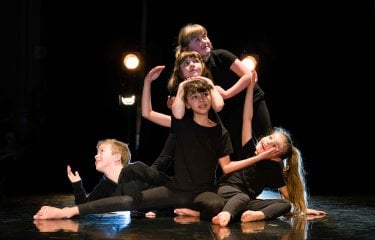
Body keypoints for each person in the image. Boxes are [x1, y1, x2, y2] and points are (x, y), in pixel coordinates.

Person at [34, 78, 272, 220]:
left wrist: (258, 157)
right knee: (128, 201)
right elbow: (175, 110)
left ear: (210, 97)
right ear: (188, 102)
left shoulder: (220, 132)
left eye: (204, 95)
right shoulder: (182, 123)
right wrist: (181, 87)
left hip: (203, 190)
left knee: (215, 205)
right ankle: (67, 212)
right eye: (195, 97)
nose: (201, 100)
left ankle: (192, 212)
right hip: (176, 188)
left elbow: (227, 166)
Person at [176, 79, 326, 226]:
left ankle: (257, 215)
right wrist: (250, 88)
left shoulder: (274, 169)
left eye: (273, 145)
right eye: (270, 137)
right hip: (225, 191)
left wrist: (303, 209)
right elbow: (247, 118)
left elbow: (286, 194)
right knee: (241, 197)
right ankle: (225, 215)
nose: (267, 141)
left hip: (244, 201)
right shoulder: (248, 150)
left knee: (284, 205)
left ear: (277, 159)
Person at [174, 23, 273, 157]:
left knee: (265, 137)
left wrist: (227, 94)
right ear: (186, 48)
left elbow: (248, 75)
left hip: (252, 100)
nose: (204, 41)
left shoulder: (221, 55)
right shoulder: (192, 70)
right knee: (238, 148)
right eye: (197, 40)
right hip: (228, 110)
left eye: (205, 37)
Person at [67, 138, 170, 207]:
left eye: (101, 151)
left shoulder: (135, 169)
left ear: (117, 157)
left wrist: (159, 211)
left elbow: (171, 185)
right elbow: (83, 207)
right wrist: (77, 185)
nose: (96, 156)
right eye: (97, 152)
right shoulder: (105, 185)